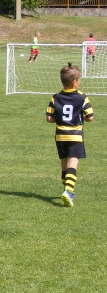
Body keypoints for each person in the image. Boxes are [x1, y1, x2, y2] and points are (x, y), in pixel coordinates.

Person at [46, 63, 94, 207]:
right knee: (73, 163)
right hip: (75, 136)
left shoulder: (56, 97)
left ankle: (67, 191)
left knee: (64, 165)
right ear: (74, 82)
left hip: (60, 136)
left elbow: (49, 118)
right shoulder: (82, 97)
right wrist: (82, 118)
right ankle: (69, 190)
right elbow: (90, 116)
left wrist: (60, 119)